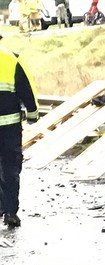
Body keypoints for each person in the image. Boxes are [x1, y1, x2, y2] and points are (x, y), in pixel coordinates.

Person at [0, 35, 39, 227]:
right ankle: (10, 211)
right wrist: (32, 114)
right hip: (9, 127)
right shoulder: (12, 58)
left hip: (10, 125)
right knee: (10, 167)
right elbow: (26, 88)